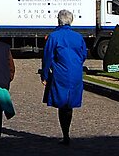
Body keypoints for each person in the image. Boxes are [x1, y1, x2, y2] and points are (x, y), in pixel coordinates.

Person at [41, 9, 88, 146]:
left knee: (62, 104)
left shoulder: (54, 36)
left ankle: (65, 133)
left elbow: (47, 57)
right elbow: (83, 55)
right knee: (69, 104)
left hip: (60, 73)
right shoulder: (78, 37)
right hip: (75, 73)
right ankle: (66, 133)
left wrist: (44, 75)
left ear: (59, 20)